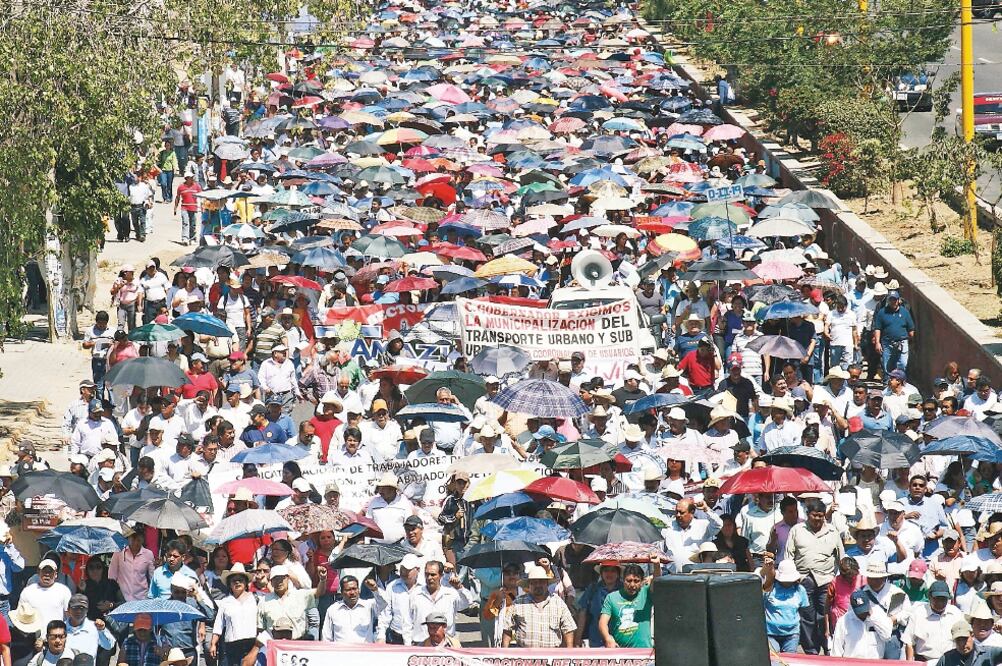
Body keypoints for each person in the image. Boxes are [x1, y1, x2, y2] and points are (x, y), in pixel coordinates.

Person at [783, 499, 844, 655]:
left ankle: (828, 648)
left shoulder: (833, 532)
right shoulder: (797, 530)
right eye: (814, 515)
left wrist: (835, 577)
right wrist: (794, 578)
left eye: (820, 515)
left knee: (825, 616)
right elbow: (788, 556)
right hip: (803, 579)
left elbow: (841, 558)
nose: (817, 519)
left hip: (826, 579)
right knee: (806, 617)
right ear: (807, 514)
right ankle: (811, 651)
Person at [501, 566, 576, 648]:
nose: (538, 585)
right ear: (529, 585)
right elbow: (507, 629)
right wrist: (504, 651)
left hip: (552, 654)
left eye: (541, 582)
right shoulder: (518, 603)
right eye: (534, 582)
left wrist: (569, 651)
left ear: (547, 583)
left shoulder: (558, 603)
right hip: (525, 654)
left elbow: (568, 629)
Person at [598, 557, 661, 648]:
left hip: (643, 650)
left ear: (642, 581)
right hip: (619, 650)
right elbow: (602, 622)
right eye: (629, 581)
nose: (632, 585)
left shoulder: (646, 593)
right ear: (623, 580)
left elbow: (657, 581)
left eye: (636, 581)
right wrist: (607, 638)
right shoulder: (611, 597)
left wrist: (656, 565)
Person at [830, 589, 893, 659]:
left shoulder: (879, 614)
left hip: (874, 662)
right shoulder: (843, 621)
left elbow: (887, 636)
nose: (862, 613)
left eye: (864, 609)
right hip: (852, 661)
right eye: (860, 611)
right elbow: (836, 650)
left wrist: (872, 617)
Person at [319, 575, 374, 644]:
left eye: (354, 589)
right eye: (348, 590)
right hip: (340, 650)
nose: (352, 593)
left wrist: (375, 590)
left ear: (359, 590)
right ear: (341, 592)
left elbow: (383, 604)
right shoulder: (333, 609)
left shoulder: (369, 606)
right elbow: (326, 637)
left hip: (365, 649)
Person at [19, 561, 71, 629]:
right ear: (38, 573)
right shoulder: (27, 591)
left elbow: (69, 615)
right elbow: (21, 614)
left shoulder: (64, 590)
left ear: (55, 574)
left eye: (50, 572)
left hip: (56, 633)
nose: (47, 574)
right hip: (33, 633)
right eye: (44, 571)